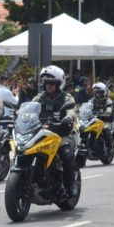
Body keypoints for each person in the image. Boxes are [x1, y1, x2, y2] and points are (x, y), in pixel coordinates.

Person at [33, 65, 79, 197]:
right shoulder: (39, 98)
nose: (49, 86)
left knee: (66, 153)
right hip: (41, 134)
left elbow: (72, 111)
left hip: (61, 134)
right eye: (47, 83)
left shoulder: (67, 98)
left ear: (59, 84)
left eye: (52, 84)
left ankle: (70, 185)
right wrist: (19, 115)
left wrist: (68, 117)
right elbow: (28, 108)